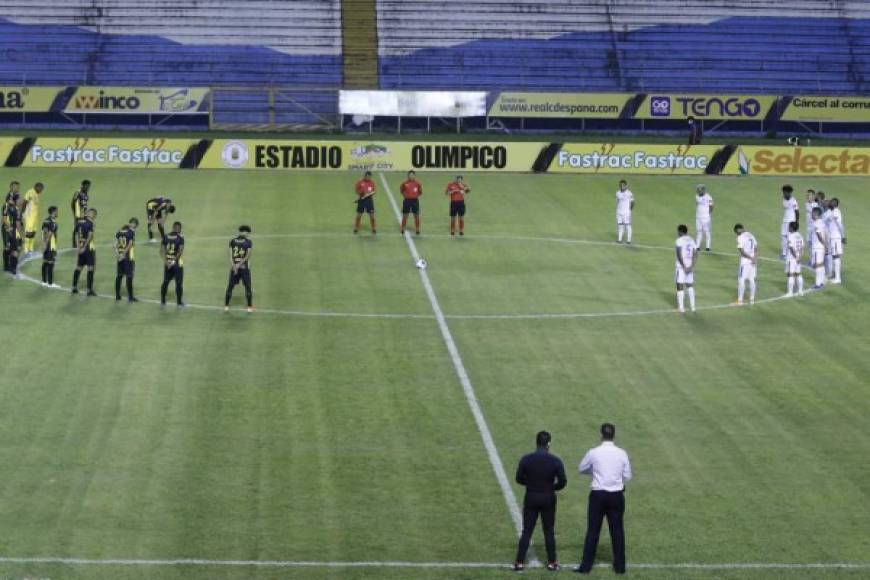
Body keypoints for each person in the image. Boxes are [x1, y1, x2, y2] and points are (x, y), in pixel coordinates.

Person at [575, 423, 632, 575]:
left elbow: (581, 468)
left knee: (593, 531)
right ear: (614, 435)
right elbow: (627, 475)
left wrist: (595, 472)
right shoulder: (622, 453)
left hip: (598, 495)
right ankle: (620, 567)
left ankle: (585, 567)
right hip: (616, 495)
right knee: (617, 531)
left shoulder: (594, 452)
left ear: (601, 435)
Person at [513, 430, 567, 572]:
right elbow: (563, 482)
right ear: (548, 444)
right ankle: (552, 562)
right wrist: (551, 487)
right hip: (548, 497)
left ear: (536, 442)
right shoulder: (555, 461)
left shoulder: (526, 459)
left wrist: (531, 484)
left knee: (527, 531)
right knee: (548, 531)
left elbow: (518, 478)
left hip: (531, 496)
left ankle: (519, 562)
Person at [225, 225, 254, 312]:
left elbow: (230, 255)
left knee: (230, 286)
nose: (248, 234)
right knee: (248, 286)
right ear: (244, 232)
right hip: (244, 268)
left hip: (234, 268)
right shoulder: (248, 242)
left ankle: (226, 306)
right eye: (247, 232)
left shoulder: (232, 241)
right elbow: (247, 256)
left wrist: (234, 265)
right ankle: (249, 307)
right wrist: (239, 265)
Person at [72, 208, 98, 296]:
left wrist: (78, 247)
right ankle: (89, 290)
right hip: (88, 249)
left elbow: (75, 234)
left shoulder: (79, 222)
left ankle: (74, 287)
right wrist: (85, 246)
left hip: (80, 247)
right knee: (91, 268)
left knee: (79, 267)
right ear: (93, 215)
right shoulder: (90, 223)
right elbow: (90, 236)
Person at [160, 221, 185, 307]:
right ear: (179, 229)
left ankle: (163, 301)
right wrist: (173, 261)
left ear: (173, 228)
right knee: (179, 283)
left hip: (167, 264)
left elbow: (161, 251)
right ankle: (179, 302)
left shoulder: (165, 237)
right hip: (177, 265)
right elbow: (180, 251)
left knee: (165, 282)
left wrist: (166, 262)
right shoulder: (180, 238)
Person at [114, 217, 139, 302]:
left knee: (119, 276)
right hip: (128, 258)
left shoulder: (119, 232)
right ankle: (130, 297)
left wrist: (118, 255)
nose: (134, 228)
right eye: (134, 226)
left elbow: (114, 245)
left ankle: (117, 295)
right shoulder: (131, 233)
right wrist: (124, 254)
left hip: (120, 258)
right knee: (129, 277)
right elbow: (130, 244)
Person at [734, 224, 758, 305]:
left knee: (741, 279)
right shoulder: (751, 235)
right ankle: (752, 299)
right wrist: (754, 258)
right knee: (751, 279)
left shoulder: (740, 237)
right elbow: (756, 248)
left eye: (736, 232)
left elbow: (742, 252)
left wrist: (750, 258)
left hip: (745, 261)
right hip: (753, 261)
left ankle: (740, 300)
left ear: (738, 230)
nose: (737, 234)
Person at [675, 224, 697, 313]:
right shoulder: (691, 240)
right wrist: (692, 266)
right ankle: (693, 307)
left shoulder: (679, 240)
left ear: (680, 232)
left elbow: (679, 254)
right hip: (689, 266)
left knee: (679, 285)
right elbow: (695, 253)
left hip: (681, 267)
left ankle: (681, 308)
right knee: (690, 286)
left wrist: (683, 266)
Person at [2, 193, 22, 276]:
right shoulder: (16, 210)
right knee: (15, 250)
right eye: (20, 199)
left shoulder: (7, 207)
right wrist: (20, 235)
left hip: (7, 230)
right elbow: (17, 223)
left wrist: (7, 227)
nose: (21, 200)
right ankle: (13, 268)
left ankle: (7, 266)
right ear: (15, 200)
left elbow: (4, 219)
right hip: (12, 231)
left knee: (8, 248)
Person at [21, 182, 44, 255]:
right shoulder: (30, 192)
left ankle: (31, 249)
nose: (41, 191)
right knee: (28, 232)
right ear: (37, 187)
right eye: (41, 189)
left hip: (35, 217)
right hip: (29, 216)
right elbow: (24, 202)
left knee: (33, 232)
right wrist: (22, 213)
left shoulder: (36, 194)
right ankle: (26, 249)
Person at [825, 198, 845, 284]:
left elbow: (840, 225)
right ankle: (835, 276)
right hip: (833, 237)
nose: (830, 203)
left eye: (833, 202)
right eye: (831, 202)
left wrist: (843, 236)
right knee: (834, 257)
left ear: (836, 204)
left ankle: (838, 278)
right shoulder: (832, 212)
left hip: (836, 237)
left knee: (836, 257)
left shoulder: (836, 212)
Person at [399, 170, 423, 235]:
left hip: (415, 201)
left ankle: (417, 229)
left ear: (414, 176)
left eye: (412, 175)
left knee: (416, 216)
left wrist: (415, 196)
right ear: (408, 175)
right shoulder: (404, 183)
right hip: (407, 201)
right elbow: (401, 190)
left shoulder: (418, 183)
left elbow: (420, 192)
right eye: (410, 175)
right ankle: (403, 228)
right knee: (405, 215)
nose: (411, 176)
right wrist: (405, 195)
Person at [41, 206, 59, 288]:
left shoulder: (46, 220)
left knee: (45, 262)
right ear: (53, 212)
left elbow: (44, 232)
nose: (57, 213)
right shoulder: (52, 223)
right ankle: (50, 283)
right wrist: (46, 243)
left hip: (46, 243)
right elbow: (49, 234)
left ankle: (44, 281)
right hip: (50, 244)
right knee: (51, 263)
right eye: (56, 211)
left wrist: (44, 243)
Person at [353, 171, 377, 235]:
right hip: (361, 200)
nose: (368, 178)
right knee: (359, 215)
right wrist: (361, 192)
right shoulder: (360, 182)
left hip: (369, 200)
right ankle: (356, 228)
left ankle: (373, 228)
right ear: (365, 176)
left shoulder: (372, 182)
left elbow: (374, 191)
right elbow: (356, 190)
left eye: (370, 177)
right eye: (367, 176)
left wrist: (369, 194)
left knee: (372, 216)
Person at [785, 221, 804, 297]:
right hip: (798, 258)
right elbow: (802, 247)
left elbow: (791, 248)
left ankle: (790, 293)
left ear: (792, 228)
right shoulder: (799, 235)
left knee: (791, 275)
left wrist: (796, 257)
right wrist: (800, 257)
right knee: (798, 274)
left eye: (789, 226)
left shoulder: (791, 236)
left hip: (792, 258)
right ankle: (800, 291)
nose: (788, 228)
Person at [810, 206, 827, 290]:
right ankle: (822, 281)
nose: (811, 215)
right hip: (821, 247)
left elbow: (818, 234)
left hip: (817, 247)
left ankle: (818, 283)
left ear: (815, 214)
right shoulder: (822, 222)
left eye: (812, 213)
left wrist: (823, 244)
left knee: (817, 265)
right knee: (821, 264)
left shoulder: (816, 223)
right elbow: (825, 234)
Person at [780, 185, 799, 260]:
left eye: (785, 192)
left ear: (789, 193)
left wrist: (797, 222)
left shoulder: (793, 201)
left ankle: (791, 253)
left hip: (791, 221)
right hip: (785, 221)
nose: (784, 194)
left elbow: (797, 211)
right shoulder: (784, 199)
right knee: (783, 236)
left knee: (790, 238)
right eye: (783, 192)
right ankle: (784, 253)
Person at [70, 180, 91, 247]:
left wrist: (86, 213)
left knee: (83, 228)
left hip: (83, 214)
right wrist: (76, 214)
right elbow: (73, 203)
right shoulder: (78, 192)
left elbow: (84, 205)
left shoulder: (85, 193)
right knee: (77, 228)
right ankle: (75, 245)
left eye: (89, 186)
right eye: (87, 186)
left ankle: (81, 243)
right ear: (82, 185)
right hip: (78, 214)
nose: (88, 188)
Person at [694, 185, 714, 251]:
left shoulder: (709, 197)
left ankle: (708, 247)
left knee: (707, 232)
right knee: (699, 231)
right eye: (698, 190)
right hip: (698, 218)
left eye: (699, 190)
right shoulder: (696, 196)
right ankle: (697, 246)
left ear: (703, 190)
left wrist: (708, 213)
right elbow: (697, 204)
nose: (698, 191)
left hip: (706, 218)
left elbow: (711, 206)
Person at [615, 179, 634, 244]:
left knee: (627, 226)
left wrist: (629, 210)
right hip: (619, 212)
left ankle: (629, 240)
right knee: (620, 226)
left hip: (626, 212)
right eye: (620, 185)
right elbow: (617, 201)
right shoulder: (617, 193)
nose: (621, 186)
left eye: (623, 185)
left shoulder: (629, 193)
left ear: (626, 186)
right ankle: (619, 239)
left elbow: (632, 202)